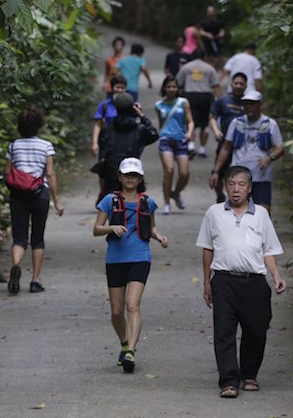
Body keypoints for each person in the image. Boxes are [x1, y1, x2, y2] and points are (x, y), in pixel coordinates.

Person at [196, 165, 286, 398]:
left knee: (256, 330)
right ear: (225, 187)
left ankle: (249, 375)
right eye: (231, 184)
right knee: (223, 331)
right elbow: (207, 248)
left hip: (254, 281)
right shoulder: (214, 213)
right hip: (223, 280)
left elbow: (269, 250)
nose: (236, 190)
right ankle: (228, 380)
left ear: (250, 188)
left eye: (241, 184)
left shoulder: (261, 215)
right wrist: (207, 282)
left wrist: (276, 276)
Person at [94, 158, 168, 374]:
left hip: (140, 257)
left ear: (140, 178)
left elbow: (151, 228)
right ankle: (124, 342)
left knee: (132, 304)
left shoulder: (148, 202)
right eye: (127, 174)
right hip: (115, 259)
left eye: (134, 175)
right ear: (119, 176)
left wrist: (159, 237)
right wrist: (111, 228)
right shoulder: (109, 200)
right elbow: (96, 229)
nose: (130, 178)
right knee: (116, 311)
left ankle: (131, 352)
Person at [5, 107, 64, 295]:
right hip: (39, 194)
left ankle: (16, 265)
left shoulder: (13, 146)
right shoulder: (46, 146)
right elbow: (50, 173)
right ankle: (35, 281)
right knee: (37, 238)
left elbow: (7, 172)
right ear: (39, 126)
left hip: (17, 195)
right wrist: (57, 200)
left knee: (19, 237)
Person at [209, 90, 284, 211]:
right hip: (238, 177)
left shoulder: (270, 124)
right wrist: (216, 171)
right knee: (237, 211)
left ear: (259, 105)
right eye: (246, 104)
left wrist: (270, 158)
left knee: (263, 211)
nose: (249, 107)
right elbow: (226, 148)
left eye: (252, 103)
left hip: (261, 176)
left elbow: (280, 148)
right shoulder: (236, 123)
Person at [98, 92, 159, 198]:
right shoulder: (139, 129)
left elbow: (102, 149)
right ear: (133, 108)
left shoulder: (107, 128)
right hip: (132, 171)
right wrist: (142, 116)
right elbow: (153, 134)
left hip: (111, 173)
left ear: (116, 109)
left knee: (110, 205)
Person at [155, 76, 194, 215]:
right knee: (169, 171)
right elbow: (161, 123)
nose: (172, 89)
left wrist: (189, 133)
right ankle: (166, 203)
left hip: (181, 140)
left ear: (177, 89)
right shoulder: (159, 105)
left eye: (174, 87)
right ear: (164, 88)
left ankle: (176, 193)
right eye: (169, 86)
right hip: (166, 140)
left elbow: (190, 121)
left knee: (184, 173)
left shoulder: (183, 102)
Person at [209, 72, 247, 202]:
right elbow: (213, 118)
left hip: (242, 145)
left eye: (241, 84)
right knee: (218, 172)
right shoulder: (222, 101)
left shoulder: (248, 104)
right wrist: (216, 131)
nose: (238, 86)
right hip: (224, 142)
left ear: (245, 86)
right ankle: (220, 195)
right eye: (236, 83)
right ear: (231, 84)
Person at [176, 50, 221, 159]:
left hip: (190, 96)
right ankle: (202, 149)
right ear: (204, 57)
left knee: (191, 121)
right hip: (205, 96)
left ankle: (191, 146)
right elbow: (216, 85)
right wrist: (219, 100)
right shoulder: (209, 68)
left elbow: (178, 83)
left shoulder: (186, 67)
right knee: (204, 124)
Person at [92, 74, 128, 203]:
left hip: (122, 142)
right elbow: (97, 124)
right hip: (105, 142)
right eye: (117, 87)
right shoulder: (104, 105)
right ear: (112, 88)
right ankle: (103, 193)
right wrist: (95, 143)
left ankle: (119, 196)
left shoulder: (128, 105)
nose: (119, 90)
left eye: (122, 88)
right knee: (102, 170)